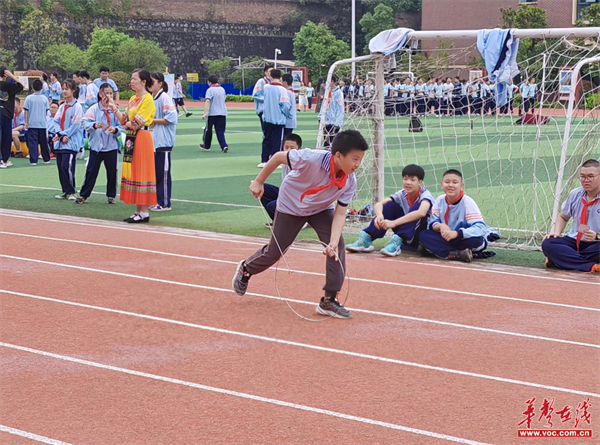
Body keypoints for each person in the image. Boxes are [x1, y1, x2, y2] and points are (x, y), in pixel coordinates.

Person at [232, 130, 370, 319]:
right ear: (338, 156)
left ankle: (329, 300)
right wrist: (259, 181)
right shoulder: (311, 158)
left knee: (337, 247)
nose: (357, 165)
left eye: (360, 159)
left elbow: (340, 213)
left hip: (321, 209)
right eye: (355, 159)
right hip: (291, 206)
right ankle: (246, 269)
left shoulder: (349, 181)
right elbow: (279, 157)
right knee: (275, 252)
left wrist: (333, 241)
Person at [347, 164, 434, 257]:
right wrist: (380, 215)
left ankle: (396, 242)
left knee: (417, 208)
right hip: (407, 235)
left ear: (420, 182)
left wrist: (394, 223)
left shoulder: (425, 195)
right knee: (389, 205)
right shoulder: (402, 194)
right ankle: (367, 239)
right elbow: (378, 204)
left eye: (412, 180)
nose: (408, 182)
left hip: (421, 237)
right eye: (405, 179)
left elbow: (421, 212)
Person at [419, 169, 491, 262]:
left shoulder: (467, 202)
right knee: (423, 235)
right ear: (442, 185)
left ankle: (438, 250)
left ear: (461, 185)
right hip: (446, 237)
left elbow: (480, 228)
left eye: (455, 182)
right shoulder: (440, 200)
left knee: (476, 241)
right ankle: (457, 254)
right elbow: (432, 223)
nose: (450, 185)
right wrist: (441, 226)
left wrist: (457, 233)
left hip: (462, 238)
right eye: (447, 182)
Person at [542, 159, 600, 274]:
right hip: (574, 241)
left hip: (596, 243)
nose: (586, 180)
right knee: (548, 243)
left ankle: (559, 260)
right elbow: (563, 217)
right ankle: (589, 265)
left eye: (590, 176)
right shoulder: (575, 194)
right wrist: (556, 233)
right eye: (582, 176)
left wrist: (597, 236)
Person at [118, 69, 157, 223]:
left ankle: (144, 211)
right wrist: (114, 109)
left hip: (141, 137)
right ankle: (138, 210)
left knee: (142, 171)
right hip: (131, 138)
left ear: (144, 82)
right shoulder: (133, 99)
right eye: (132, 78)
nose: (132, 81)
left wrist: (128, 124)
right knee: (133, 170)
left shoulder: (147, 99)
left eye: (135, 79)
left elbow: (136, 123)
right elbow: (124, 120)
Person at [76, 83, 122, 205]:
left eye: (111, 93)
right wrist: (94, 125)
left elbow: (122, 124)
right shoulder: (94, 108)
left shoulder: (114, 110)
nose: (109, 96)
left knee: (112, 172)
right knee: (91, 171)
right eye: (106, 93)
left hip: (111, 146)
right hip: (96, 146)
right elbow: (85, 122)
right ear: (100, 94)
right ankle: (84, 195)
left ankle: (111, 196)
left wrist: (116, 130)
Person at [148, 71, 178, 211]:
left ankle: (165, 203)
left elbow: (172, 118)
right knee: (156, 173)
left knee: (163, 174)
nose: (149, 84)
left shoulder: (164, 97)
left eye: (152, 81)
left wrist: (153, 120)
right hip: (154, 142)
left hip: (164, 142)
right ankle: (157, 200)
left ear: (160, 83)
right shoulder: (152, 98)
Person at [259, 133, 302, 223]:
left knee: (272, 206)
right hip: (287, 193)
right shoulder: (283, 161)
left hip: (299, 198)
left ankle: (298, 221)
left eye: (292, 148)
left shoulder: (301, 164)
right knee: (262, 188)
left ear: (299, 149)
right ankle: (277, 221)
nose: (288, 150)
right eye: (286, 147)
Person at [52, 79, 83, 200]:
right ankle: (65, 190)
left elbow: (76, 125)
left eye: (67, 89)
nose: (64, 91)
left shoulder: (77, 106)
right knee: (60, 167)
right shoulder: (62, 106)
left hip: (70, 143)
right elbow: (55, 121)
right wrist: (59, 134)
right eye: (63, 89)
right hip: (60, 142)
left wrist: (65, 135)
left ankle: (71, 190)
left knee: (67, 166)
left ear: (73, 90)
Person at [260, 69, 291, 167]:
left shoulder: (266, 87)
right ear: (280, 77)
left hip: (267, 118)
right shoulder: (282, 90)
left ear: (271, 76)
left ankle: (264, 160)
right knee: (277, 140)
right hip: (279, 119)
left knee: (266, 139)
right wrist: (286, 114)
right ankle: (275, 161)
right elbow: (285, 105)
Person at [0, 67, 24, 169]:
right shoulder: (9, 85)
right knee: (6, 137)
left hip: (4, 113)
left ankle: (3, 160)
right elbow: (22, 86)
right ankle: (3, 159)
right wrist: (12, 76)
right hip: (6, 113)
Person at [23, 79, 51, 165]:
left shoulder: (29, 98)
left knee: (33, 143)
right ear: (42, 88)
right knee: (44, 142)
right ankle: (46, 159)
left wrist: (26, 122)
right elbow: (47, 111)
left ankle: (33, 160)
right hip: (42, 124)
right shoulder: (44, 98)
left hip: (32, 123)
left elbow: (26, 111)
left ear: (32, 87)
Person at [200, 74, 228, 153]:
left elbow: (207, 100)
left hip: (212, 113)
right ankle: (224, 145)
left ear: (209, 82)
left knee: (208, 130)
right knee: (220, 131)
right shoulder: (222, 89)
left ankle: (206, 146)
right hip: (222, 113)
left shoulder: (210, 90)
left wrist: (205, 113)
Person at [252, 65, 273, 166]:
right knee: (267, 134)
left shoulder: (272, 83)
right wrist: (267, 98)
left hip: (270, 111)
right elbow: (255, 94)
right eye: (269, 71)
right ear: (265, 72)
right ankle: (265, 157)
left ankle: (270, 155)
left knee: (271, 134)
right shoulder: (261, 81)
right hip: (263, 111)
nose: (271, 73)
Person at [320, 75, 344, 148]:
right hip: (326, 121)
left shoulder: (338, 93)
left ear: (332, 81)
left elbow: (340, 108)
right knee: (326, 143)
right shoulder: (327, 92)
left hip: (335, 122)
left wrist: (337, 121)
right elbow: (323, 106)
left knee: (334, 143)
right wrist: (320, 118)